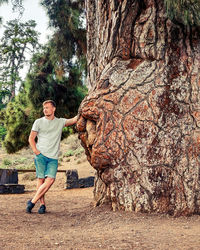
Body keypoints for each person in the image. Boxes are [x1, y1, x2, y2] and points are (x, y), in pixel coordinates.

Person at [26, 100, 78, 214]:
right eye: (44, 108)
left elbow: (74, 120)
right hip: (41, 155)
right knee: (41, 179)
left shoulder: (60, 122)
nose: (45, 110)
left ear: (53, 109)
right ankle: (42, 205)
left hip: (53, 157)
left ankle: (32, 201)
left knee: (50, 180)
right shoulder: (38, 122)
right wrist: (36, 151)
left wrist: (84, 109)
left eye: (47, 107)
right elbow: (31, 138)